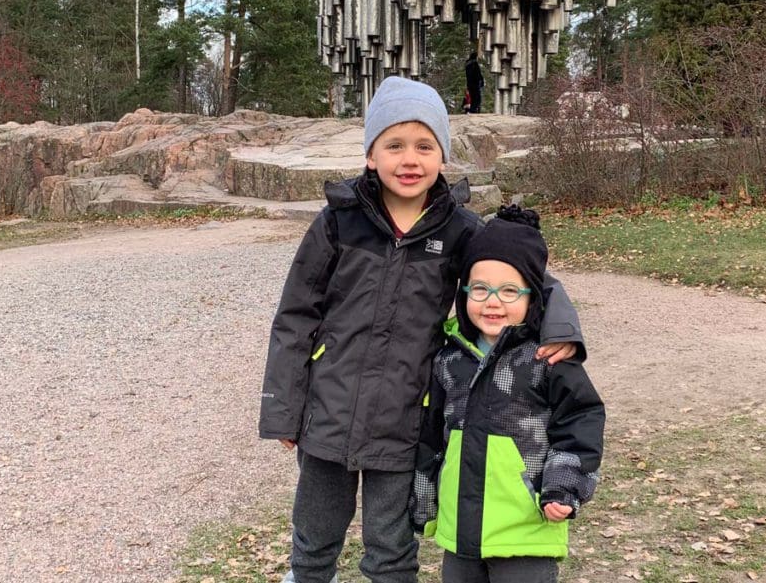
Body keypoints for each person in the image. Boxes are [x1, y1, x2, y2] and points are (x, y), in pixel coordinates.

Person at [258, 76, 586, 583]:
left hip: (405, 417)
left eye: (424, 146)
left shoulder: (460, 229)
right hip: (327, 413)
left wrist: (562, 326)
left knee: (390, 546)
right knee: (314, 537)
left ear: (442, 157)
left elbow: (529, 271)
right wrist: (283, 409)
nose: (409, 159)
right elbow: (296, 315)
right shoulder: (337, 222)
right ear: (371, 155)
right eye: (394, 145)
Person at [410, 205, 605, 583]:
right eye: (480, 289)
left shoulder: (548, 359)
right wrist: (424, 499)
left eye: (509, 291)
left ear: (533, 297)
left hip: (526, 529)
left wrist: (563, 487)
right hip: (460, 531)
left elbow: (581, 422)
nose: (493, 301)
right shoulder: (448, 358)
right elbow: (431, 436)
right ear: (464, 291)